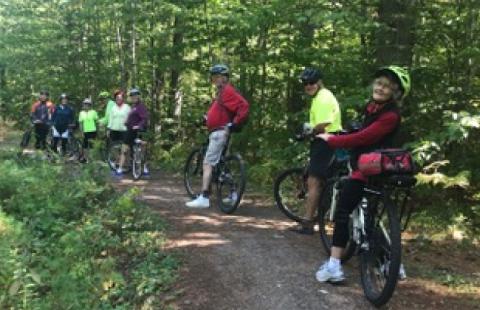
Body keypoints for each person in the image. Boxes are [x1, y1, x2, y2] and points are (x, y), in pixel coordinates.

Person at [314, 66, 411, 283]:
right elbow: (360, 132)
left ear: (395, 92)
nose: (380, 88)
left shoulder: (390, 116)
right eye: (379, 83)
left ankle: (334, 266)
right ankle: (392, 264)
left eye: (387, 86)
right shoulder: (373, 108)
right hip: (371, 169)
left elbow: (364, 138)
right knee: (369, 218)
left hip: (367, 171)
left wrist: (332, 140)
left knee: (342, 211)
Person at [186, 64, 249, 208]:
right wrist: (206, 118)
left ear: (224, 78)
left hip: (220, 132)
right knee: (221, 163)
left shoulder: (227, 91)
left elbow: (244, 106)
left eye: (217, 77)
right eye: (213, 77)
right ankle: (233, 194)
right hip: (218, 131)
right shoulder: (221, 93)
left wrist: (234, 123)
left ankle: (204, 197)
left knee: (208, 163)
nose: (214, 80)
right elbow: (219, 111)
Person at [291, 68, 342, 235]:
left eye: (311, 82)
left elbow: (323, 124)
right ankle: (322, 217)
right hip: (332, 141)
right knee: (325, 182)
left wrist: (308, 133)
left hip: (325, 142)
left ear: (319, 81)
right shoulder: (324, 95)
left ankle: (307, 223)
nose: (308, 86)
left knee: (313, 183)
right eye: (305, 83)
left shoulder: (322, 98)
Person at [115, 88, 149, 177]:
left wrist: (139, 125)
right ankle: (122, 169)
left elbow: (144, 118)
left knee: (128, 149)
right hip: (131, 130)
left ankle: (144, 169)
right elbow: (133, 118)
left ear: (138, 96)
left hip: (136, 131)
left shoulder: (140, 106)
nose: (134, 97)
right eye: (132, 95)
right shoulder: (133, 107)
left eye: (135, 95)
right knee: (130, 149)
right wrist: (127, 122)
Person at [78, 98, 99, 162]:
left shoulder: (94, 112)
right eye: (85, 104)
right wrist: (81, 132)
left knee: (92, 146)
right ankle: (85, 158)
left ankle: (91, 158)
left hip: (93, 131)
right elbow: (81, 123)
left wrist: (97, 130)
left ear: (90, 105)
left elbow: (96, 122)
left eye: (87, 104)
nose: (86, 106)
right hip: (85, 131)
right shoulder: (81, 113)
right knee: (85, 146)